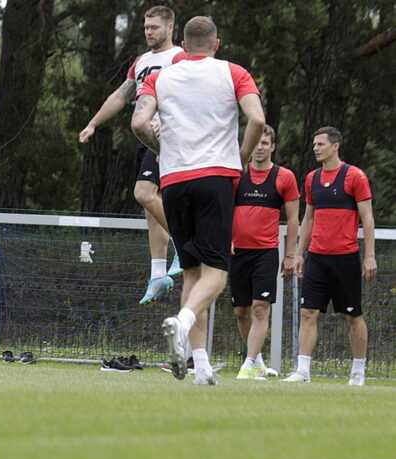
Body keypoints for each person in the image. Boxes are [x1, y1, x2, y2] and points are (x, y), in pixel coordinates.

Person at [131, 16, 265, 386]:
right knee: (216, 273)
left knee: (191, 272)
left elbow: (139, 123)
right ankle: (184, 320)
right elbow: (256, 118)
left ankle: (201, 367)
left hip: (173, 182)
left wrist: (164, 151)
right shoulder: (233, 72)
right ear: (216, 44)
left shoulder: (160, 76)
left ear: (183, 46)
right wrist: (239, 159)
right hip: (215, 178)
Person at [79, 5, 187, 305]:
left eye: (154, 27)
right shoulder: (141, 61)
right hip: (144, 137)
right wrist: (93, 123)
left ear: (169, 27)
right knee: (151, 208)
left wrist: (172, 122)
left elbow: (192, 92)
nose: (148, 32)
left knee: (143, 192)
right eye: (146, 27)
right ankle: (157, 274)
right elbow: (121, 95)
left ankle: (185, 244)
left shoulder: (178, 57)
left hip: (169, 136)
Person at [281, 127, 377, 386]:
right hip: (317, 258)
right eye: (314, 144)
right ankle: (302, 371)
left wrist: (369, 256)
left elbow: (367, 218)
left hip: (346, 258)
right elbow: (309, 218)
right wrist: (300, 253)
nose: (315, 148)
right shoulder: (312, 178)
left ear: (335, 146)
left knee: (353, 315)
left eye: (320, 144)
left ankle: (357, 372)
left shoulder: (355, 176)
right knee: (308, 312)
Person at [231, 125, 300, 380]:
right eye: (256, 143)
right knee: (241, 311)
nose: (259, 147)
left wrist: (290, 254)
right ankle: (257, 360)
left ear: (273, 147)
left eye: (265, 143)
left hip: (266, 253)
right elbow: (224, 209)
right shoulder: (237, 175)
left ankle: (248, 364)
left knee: (260, 308)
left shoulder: (285, 177)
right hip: (237, 252)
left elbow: (293, 219)